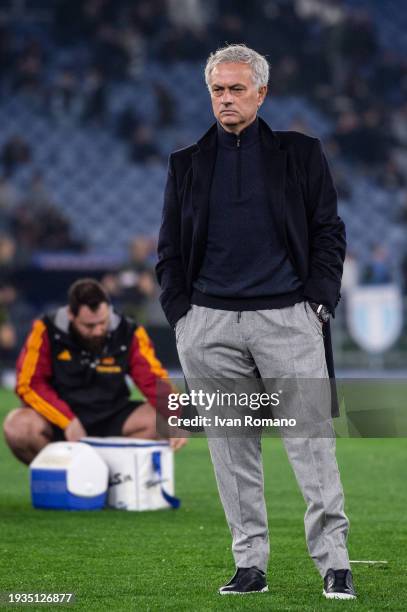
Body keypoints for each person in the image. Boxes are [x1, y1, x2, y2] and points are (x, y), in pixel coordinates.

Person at [156, 44, 356, 599]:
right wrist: (182, 316)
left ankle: (335, 562)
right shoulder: (186, 163)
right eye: (217, 89)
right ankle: (249, 564)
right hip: (209, 327)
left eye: (236, 89)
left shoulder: (301, 153)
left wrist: (317, 303)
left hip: (287, 320)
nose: (225, 98)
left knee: (312, 444)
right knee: (230, 449)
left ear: (261, 93)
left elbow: (328, 232)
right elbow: (169, 247)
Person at [3, 278, 186, 465]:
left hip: (113, 416)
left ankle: (115, 477)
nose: (99, 331)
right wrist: (67, 421)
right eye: (90, 326)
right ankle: (60, 475)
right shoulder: (46, 330)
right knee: (17, 427)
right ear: (71, 316)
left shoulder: (129, 332)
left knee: (164, 421)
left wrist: (176, 415)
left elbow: (152, 379)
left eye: (103, 323)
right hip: (59, 421)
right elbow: (29, 384)